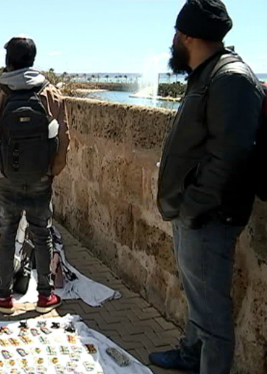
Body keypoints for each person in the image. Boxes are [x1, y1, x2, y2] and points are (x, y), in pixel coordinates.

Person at [149, 2, 265, 374]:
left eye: (176, 34)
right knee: (198, 299)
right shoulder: (207, 74)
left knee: (213, 316)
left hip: (209, 216)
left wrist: (193, 205)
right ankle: (189, 354)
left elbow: (230, 156)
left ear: (187, 35)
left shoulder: (230, 78)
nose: (173, 42)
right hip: (195, 212)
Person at [0, 35, 70, 315]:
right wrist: (50, 172)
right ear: (32, 59)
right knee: (42, 236)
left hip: (7, 180)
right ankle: (45, 297)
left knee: (5, 237)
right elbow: (64, 139)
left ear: (9, 61)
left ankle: (3, 297)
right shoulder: (50, 93)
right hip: (41, 180)